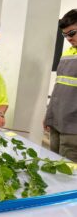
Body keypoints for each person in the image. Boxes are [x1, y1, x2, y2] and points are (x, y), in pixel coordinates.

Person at [44, 9, 77, 162]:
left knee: (68, 174)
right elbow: (59, 88)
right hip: (57, 123)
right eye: (65, 35)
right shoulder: (67, 53)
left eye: (72, 33)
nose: (68, 39)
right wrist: (49, 116)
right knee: (54, 166)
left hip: (73, 129)